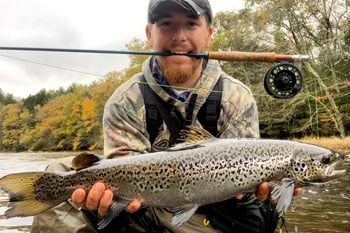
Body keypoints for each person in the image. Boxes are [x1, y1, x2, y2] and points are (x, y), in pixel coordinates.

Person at [31, 0, 301, 232]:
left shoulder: (236, 97)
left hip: (211, 215)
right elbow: (124, 173)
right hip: (145, 206)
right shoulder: (124, 100)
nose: (179, 36)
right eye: (167, 24)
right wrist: (102, 202)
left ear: (209, 34)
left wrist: (268, 195)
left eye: (191, 24)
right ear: (150, 34)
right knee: (60, 172)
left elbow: (246, 193)